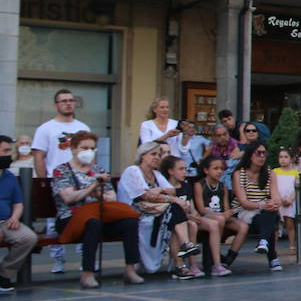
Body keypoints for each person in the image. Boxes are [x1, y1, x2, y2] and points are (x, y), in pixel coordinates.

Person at [52, 131, 142, 289]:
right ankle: (87, 273)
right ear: (73, 149)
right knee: (93, 224)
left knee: (129, 222)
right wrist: (93, 187)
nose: (88, 152)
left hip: (100, 215)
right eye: (84, 148)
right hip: (71, 219)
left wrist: (96, 193)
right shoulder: (62, 170)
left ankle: (130, 269)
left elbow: (111, 197)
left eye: (92, 148)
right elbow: (68, 197)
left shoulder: (98, 169)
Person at [32, 88, 93, 274]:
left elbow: (90, 154)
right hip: (56, 181)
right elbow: (39, 156)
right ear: (56, 105)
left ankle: (85, 259)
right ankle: (58, 260)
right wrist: (43, 180)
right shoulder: (46, 128)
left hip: (81, 180)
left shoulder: (83, 128)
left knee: (85, 218)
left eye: (70, 100)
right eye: (63, 100)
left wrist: (91, 176)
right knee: (53, 223)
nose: (68, 103)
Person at [118, 142, 199, 277]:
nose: (157, 157)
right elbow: (145, 195)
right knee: (175, 209)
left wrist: (160, 190)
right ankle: (185, 248)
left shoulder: (156, 174)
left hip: (156, 213)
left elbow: (172, 191)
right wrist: (170, 198)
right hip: (135, 214)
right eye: (153, 154)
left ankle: (181, 263)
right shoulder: (133, 171)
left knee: (174, 217)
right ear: (143, 155)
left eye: (159, 155)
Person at [162, 153, 218, 276]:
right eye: (181, 169)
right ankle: (186, 264)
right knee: (191, 225)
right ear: (171, 171)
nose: (184, 172)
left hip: (189, 218)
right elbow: (170, 210)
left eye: (185, 169)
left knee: (212, 224)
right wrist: (189, 217)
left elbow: (192, 207)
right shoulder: (167, 188)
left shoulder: (186, 185)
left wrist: (195, 214)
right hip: (175, 221)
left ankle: (216, 264)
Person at [232, 140, 283, 273]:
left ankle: (263, 242)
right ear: (250, 155)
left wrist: (274, 203)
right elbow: (243, 202)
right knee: (269, 218)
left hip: (264, 211)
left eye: (264, 153)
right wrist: (262, 205)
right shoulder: (239, 174)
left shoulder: (269, 173)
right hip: (245, 211)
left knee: (271, 214)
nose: (262, 156)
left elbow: (276, 196)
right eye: (258, 153)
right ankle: (272, 256)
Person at [193, 156, 244, 275]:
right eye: (215, 168)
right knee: (219, 220)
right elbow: (201, 209)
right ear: (206, 170)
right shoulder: (200, 185)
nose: (219, 171)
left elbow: (226, 207)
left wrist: (228, 213)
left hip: (220, 217)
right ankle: (216, 261)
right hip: (206, 217)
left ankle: (228, 259)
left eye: (221, 168)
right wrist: (221, 215)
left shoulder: (223, 187)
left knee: (243, 227)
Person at [0, 136, 38, 293]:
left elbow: (18, 204)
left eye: (10, 150)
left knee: (28, 238)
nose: (9, 155)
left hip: (6, 221)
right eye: (5, 151)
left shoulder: (9, 176)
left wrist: (15, 217)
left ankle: (4, 274)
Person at [271, 148, 300, 254]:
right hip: (277, 201)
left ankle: (292, 245)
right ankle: (273, 247)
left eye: (286, 157)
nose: (283, 159)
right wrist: (278, 198)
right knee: (275, 224)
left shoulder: (295, 173)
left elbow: (296, 188)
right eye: (281, 157)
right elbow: (273, 186)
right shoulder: (274, 172)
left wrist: (290, 200)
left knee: (290, 223)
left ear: (291, 159)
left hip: (289, 202)